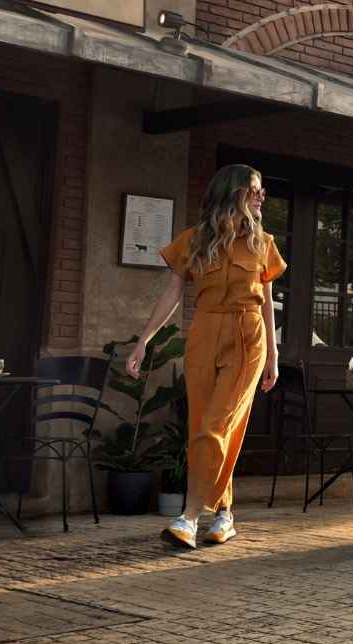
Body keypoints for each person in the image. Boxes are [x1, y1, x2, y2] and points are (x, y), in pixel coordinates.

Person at [126, 164, 286, 548]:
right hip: (203, 333)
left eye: (261, 190)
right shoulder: (194, 240)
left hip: (248, 336)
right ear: (233, 192)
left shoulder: (263, 244)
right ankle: (225, 514)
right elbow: (172, 295)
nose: (261, 196)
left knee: (216, 425)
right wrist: (144, 339)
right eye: (254, 189)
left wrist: (273, 357)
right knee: (206, 427)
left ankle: (189, 517)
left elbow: (266, 304)